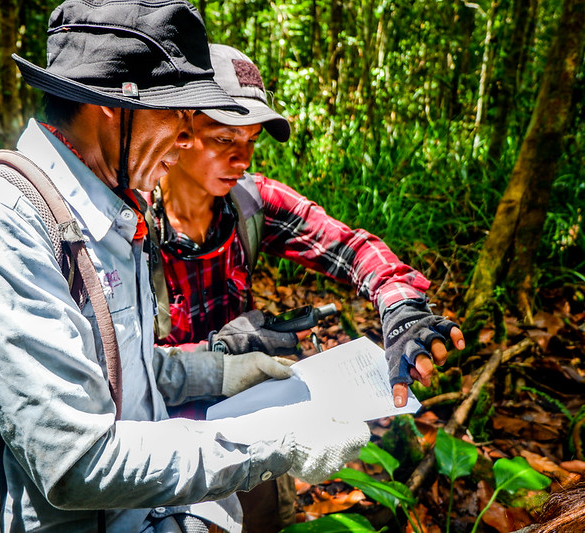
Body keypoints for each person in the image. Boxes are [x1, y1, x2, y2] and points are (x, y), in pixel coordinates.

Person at [0, 2, 371, 532]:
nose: (186, 142)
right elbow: (74, 464)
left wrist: (220, 372)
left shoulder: (105, 212)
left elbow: (121, 374)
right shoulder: (0, 230)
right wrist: (275, 443)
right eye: (179, 116)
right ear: (112, 105)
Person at [144, 44, 467, 532]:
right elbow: (118, 367)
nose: (241, 156)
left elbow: (352, 247)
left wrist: (403, 309)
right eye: (225, 137)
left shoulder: (250, 203)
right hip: (163, 440)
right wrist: (219, 351)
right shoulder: (128, 225)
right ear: (180, 131)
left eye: (251, 139)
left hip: (252, 425)